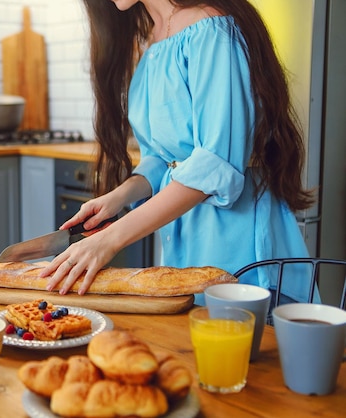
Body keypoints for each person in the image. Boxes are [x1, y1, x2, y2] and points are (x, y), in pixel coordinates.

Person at [39, 0, 315, 305]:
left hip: (242, 251)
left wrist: (110, 239)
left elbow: (214, 162)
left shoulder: (212, 29)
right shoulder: (152, 43)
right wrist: (117, 198)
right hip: (185, 249)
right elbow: (163, 158)